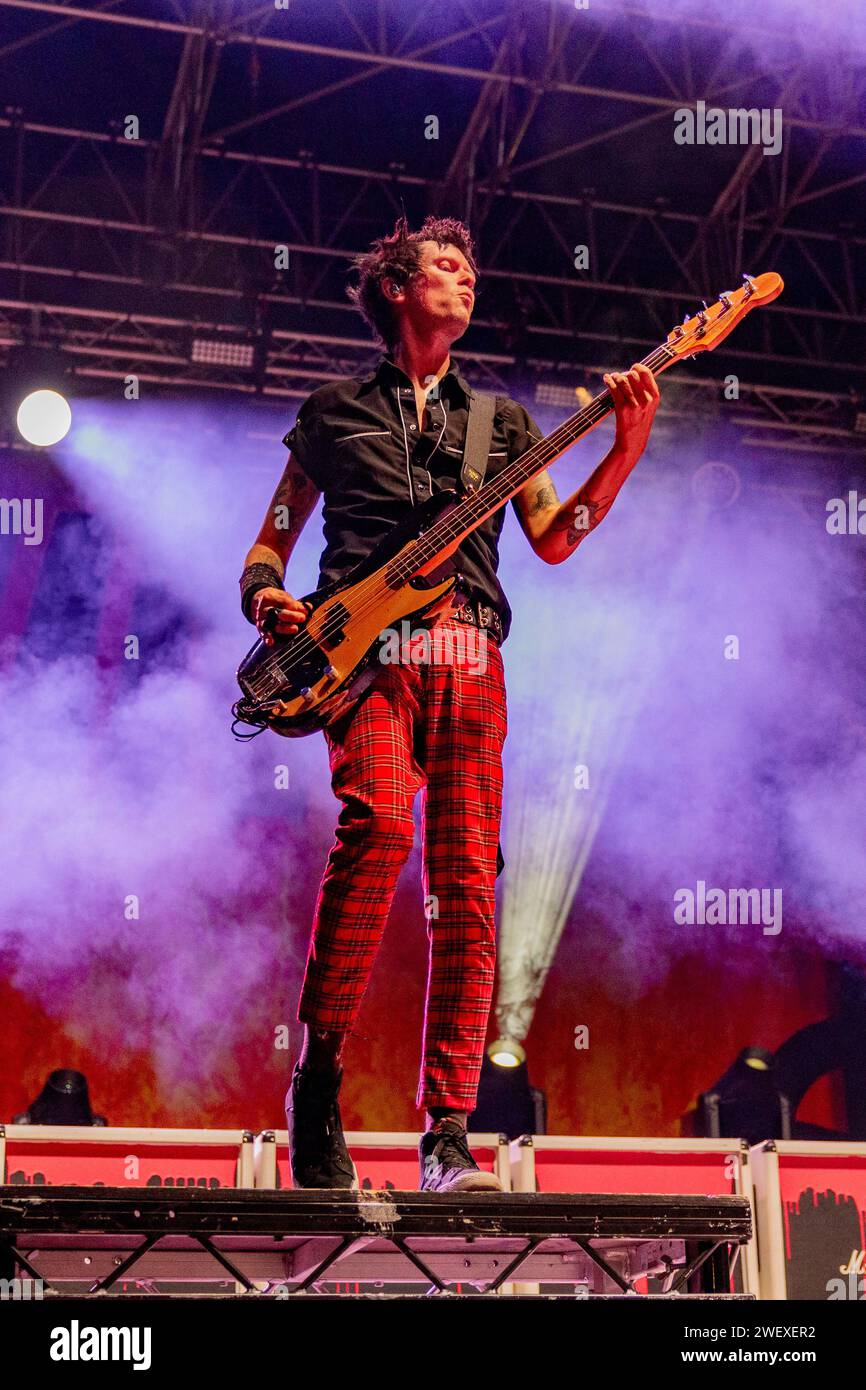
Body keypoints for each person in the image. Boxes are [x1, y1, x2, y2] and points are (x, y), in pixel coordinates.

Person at [239, 214, 659, 1193]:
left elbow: (555, 539)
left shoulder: (501, 423)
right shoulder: (331, 411)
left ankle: (447, 1132)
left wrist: (624, 450)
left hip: (467, 652)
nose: (463, 281)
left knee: (468, 880)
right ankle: (320, 1079)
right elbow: (269, 542)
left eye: (471, 271)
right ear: (393, 285)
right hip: (361, 654)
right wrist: (268, 598)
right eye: (442, 265)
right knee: (379, 827)